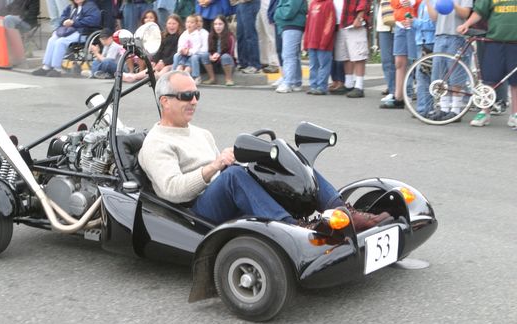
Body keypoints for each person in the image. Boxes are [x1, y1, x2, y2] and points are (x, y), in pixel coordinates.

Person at [138, 70, 392, 231]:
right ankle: (293, 229)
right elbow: (172, 191)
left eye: (196, 94)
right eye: (186, 96)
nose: (194, 100)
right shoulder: (156, 143)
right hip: (195, 211)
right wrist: (215, 166)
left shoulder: (201, 132)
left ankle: (344, 212)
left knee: (285, 158)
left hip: (221, 192)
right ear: (165, 101)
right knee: (234, 176)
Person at [457, 0, 517, 129]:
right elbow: (479, 11)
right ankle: (485, 112)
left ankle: (515, 114)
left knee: (515, 81)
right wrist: (467, 24)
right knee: (489, 78)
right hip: (494, 40)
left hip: (515, 42)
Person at [424, 0, 472, 121]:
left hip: (457, 36)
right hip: (440, 35)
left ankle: (456, 110)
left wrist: (453, 4)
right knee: (441, 74)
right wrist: (428, 2)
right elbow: (434, 17)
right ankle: (444, 108)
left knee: (456, 74)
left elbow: (465, 13)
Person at [32, 0, 101, 77]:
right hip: (70, 31)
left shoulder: (91, 6)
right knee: (52, 39)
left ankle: (57, 68)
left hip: (83, 32)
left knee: (61, 42)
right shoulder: (71, 7)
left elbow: (94, 20)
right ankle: (46, 67)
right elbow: (63, 17)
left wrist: (74, 22)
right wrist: (65, 21)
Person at [380, 0, 420, 109]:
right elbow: (393, 3)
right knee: (399, 62)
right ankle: (398, 98)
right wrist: (400, 2)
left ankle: (420, 99)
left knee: (416, 61)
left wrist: (413, 2)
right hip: (400, 24)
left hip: (414, 23)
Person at [122, 13, 183, 82]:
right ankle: (134, 76)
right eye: (169, 23)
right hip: (161, 61)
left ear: (179, 25)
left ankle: (157, 77)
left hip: (173, 62)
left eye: (174, 24)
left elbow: (176, 53)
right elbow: (159, 50)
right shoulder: (163, 36)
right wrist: (155, 60)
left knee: (165, 69)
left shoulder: (181, 37)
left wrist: (164, 62)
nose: (171, 26)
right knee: (153, 67)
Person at [330, 0, 370, 98]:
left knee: (358, 55)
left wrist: (359, 17)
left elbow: (364, 2)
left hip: (353, 22)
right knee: (345, 56)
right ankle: (349, 84)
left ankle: (359, 87)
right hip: (340, 24)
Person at [273, 0, 307, 93]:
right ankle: (296, 82)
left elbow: (288, 12)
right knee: (293, 55)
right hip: (290, 25)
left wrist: (276, 12)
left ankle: (288, 82)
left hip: (293, 24)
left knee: (289, 55)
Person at [304, 0, 336, 95]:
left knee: (323, 65)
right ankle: (313, 85)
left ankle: (322, 87)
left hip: (323, 42)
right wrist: (306, 41)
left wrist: (324, 40)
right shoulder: (313, 3)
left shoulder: (329, 3)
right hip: (312, 41)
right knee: (313, 65)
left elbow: (330, 23)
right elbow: (308, 23)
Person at [200, 14, 236, 85]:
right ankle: (212, 78)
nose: (217, 26)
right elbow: (210, 50)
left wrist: (218, 56)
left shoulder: (230, 36)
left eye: (220, 24)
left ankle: (228, 79)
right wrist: (211, 56)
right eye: (215, 24)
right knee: (204, 55)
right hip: (215, 62)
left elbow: (230, 53)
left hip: (227, 62)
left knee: (225, 56)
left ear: (224, 25)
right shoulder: (211, 35)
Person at [173, 14, 207, 83]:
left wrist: (189, 52)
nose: (189, 24)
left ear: (196, 25)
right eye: (188, 22)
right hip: (183, 55)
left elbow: (197, 48)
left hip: (191, 56)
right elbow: (180, 45)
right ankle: (173, 74)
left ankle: (196, 76)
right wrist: (181, 50)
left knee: (187, 70)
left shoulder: (197, 35)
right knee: (176, 57)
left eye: (192, 23)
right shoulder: (184, 34)